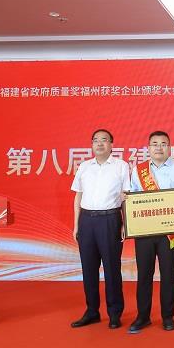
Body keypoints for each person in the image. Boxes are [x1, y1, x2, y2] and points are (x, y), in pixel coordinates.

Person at [126, 130, 174, 334]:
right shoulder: (139, 171)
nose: (159, 147)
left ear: (169, 147)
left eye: (163, 144)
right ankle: (143, 316)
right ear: (148, 148)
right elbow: (133, 197)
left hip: (169, 233)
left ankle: (168, 316)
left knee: (168, 274)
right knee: (144, 274)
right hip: (145, 231)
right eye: (154, 144)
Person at [70, 129, 129, 329]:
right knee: (88, 268)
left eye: (104, 140)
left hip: (110, 220)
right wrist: (76, 225)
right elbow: (78, 196)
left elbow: (126, 197)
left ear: (112, 144)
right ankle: (92, 311)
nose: (100, 144)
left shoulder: (121, 166)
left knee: (112, 268)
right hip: (86, 220)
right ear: (92, 145)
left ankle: (114, 313)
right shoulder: (84, 167)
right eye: (96, 140)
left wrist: (125, 224)